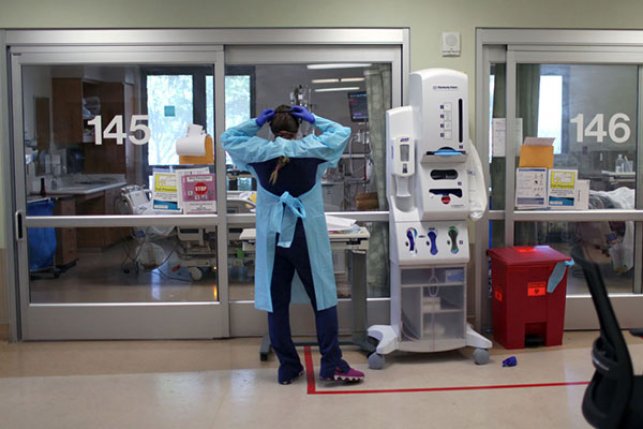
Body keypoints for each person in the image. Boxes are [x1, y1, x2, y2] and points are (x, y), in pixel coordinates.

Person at [221, 105, 365, 385]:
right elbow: (341, 132)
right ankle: (332, 363)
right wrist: (314, 117)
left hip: (273, 238)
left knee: (277, 303)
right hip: (306, 237)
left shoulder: (258, 152)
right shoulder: (312, 149)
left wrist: (255, 123)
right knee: (323, 298)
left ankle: (288, 367)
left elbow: (228, 138)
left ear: (271, 129)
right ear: (299, 128)